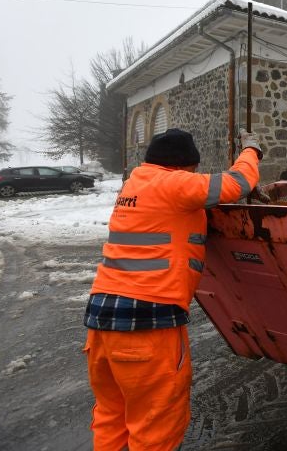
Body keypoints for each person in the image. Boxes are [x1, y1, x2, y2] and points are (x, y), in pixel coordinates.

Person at [83, 127, 263, 451]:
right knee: (156, 425)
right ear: (183, 166)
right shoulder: (175, 184)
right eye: (194, 169)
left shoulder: (135, 183)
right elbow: (238, 183)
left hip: (101, 320)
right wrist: (252, 150)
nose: (195, 174)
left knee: (113, 414)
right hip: (147, 324)